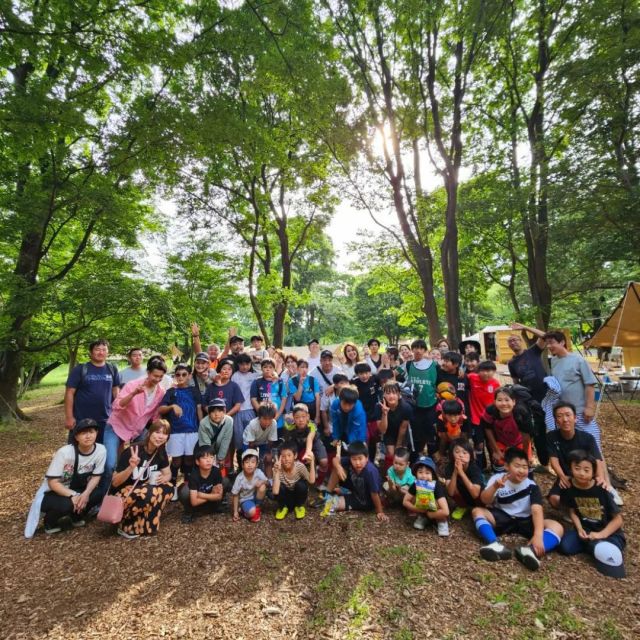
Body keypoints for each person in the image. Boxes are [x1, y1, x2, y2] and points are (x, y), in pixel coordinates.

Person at [471, 447, 563, 570]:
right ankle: (494, 544)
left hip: (525, 520)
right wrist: (495, 486)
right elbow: (484, 500)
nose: (522, 470)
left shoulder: (531, 486)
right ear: (507, 466)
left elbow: (536, 510)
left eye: (525, 467)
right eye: (517, 466)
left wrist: (538, 535)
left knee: (557, 527)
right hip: (503, 517)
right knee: (477, 511)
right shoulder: (497, 479)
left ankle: (531, 551)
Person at [102, 358, 167, 495]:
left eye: (161, 377)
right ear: (148, 372)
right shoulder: (133, 385)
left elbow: (154, 416)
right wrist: (133, 394)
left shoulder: (160, 392)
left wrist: (161, 429)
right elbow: (117, 405)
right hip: (116, 427)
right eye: (155, 375)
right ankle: (105, 495)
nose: (158, 379)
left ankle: (132, 490)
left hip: (136, 431)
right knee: (110, 464)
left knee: (139, 459)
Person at [559, 450, 626, 578]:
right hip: (586, 531)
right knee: (565, 547)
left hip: (608, 533)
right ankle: (593, 546)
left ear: (593, 471)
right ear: (571, 469)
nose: (581, 473)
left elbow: (618, 520)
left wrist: (601, 534)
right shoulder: (568, 487)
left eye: (586, 470)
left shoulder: (601, 488)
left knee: (609, 551)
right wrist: (579, 529)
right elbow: (572, 511)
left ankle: (597, 546)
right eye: (577, 468)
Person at [40, 419, 106, 534]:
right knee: (67, 504)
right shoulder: (65, 452)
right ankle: (50, 521)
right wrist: (74, 496)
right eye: (83, 433)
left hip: (79, 488)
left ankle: (76, 515)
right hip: (55, 492)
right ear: (76, 437)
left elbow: (96, 476)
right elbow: (53, 483)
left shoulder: (101, 450)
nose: (88, 436)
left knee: (98, 493)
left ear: (96, 433)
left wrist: (85, 494)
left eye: (91, 432)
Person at [111, 419, 173, 539]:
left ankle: (145, 525)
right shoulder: (133, 451)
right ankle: (125, 525)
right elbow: (115, 482)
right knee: (149, 492)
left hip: (144, 490)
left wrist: (164, 478)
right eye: (157, 432)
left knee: (168, 488)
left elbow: (168, 474)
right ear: (149, 433)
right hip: (123, 495)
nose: (160, 436)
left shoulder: (160, 452)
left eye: (165, 433)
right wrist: (131, 467)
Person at [546, 402, 605, 509]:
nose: (565, 419)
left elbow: (597, 459)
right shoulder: (551, 437)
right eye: (560, 416)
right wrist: (562, 477)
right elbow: (554, 460)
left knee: (600, 502)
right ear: (556, 421)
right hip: (567, 476)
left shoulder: (587, 438)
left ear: (575, 418)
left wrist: (600, 477)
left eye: (568, 415)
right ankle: (572, 512)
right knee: (554, 499)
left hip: (585, 476)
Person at [507, 322, 549, 467]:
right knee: (538, 430)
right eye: (510, 341)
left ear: (521, 341)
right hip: (530, 400)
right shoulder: (512, 363)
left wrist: (525, 327)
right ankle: (544, 462)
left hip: (547, 394)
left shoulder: (533, 351)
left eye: (515, 339)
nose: (513, 342)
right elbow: (515, 382)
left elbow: (545, 336)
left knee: (555, 426)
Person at [64, 339, 120, 443]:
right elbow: (69, 393)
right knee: (78, 451)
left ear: (108, 352)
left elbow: (116, 392)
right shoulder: (80, 369)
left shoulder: (112, 369)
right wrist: (69, 417)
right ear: (91, 352)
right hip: (82, 419)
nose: (101, 352)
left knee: (102, 452)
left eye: (104, 349)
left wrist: (119, 414)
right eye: (97, 349)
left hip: (105, 420)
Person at [159, 364, 203, 497]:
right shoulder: (171, 392)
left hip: (193, 430)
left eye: (184, 374)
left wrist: (201, 427)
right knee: (176, 460)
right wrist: (172, 406)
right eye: (178, 375)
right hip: (176, 431)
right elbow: (161, 409)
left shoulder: (194, 391)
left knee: (190, 458)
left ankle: (187, 485)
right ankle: (172, 486)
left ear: (190, 375)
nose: (181, 377)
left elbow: (199, 408)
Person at [320, 441, 388, 521]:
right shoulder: (349, 461)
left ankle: (342, 493)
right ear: (350, 458)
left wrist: (380, 511)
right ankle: (327, 493)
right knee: (337, 467)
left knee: (330, 504)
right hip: (355, 492)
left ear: (366, 458)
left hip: (365, 502)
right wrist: (338, 467)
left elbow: (374, 494)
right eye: (354, 459)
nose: (357, 463)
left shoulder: (370, 471)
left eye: (360, 459)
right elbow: (335, 460)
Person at [481, 386, 534, 472]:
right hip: (501, 441)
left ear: (513, 402)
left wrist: (525, 455)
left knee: (525, 466)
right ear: (494, 402)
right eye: (499, 400)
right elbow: (488, 429)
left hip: (519, 441)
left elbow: (526, 437)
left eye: (507, 400)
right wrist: (496, 450)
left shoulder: (521, 413)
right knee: (499, 463)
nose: (503, 404)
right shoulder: (491, 411)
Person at [403, 339, 438, 457]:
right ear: (411, 350)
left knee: (431, 431)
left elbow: (445, 373)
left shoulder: (434, 364)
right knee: (416, 431)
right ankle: (416, 455)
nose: (418, 350)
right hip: (414, 405)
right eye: (415, 348)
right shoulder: (408, 364)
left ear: (425, 350)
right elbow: (394, 373)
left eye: (421, 348)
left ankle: (434, 456)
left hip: (430, 404)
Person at [402, 455, 450, 536]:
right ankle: (422, 517)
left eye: (427, 473)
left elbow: (446, 511)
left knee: (435, 502)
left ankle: (442, 522)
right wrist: (418, 510)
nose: (423, 476)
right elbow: (405, 501)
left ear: (433, 475)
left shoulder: (436, 486)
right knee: (414, 497)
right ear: (416, 474)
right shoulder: (415, 484)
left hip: (437, 511)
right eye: (420, 472)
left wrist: (430, 514)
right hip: (422, 509)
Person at [178, 445, 224, 524]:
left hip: (210, 503)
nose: (208, 460)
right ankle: (189, 512)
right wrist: (212, 495)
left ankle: (218, 506)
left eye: (211, 457)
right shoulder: (193, 475)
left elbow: (219, 496)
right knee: (184, 491)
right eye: (204, 458)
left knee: (225, 481)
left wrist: (200, 494)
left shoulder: (216, 471)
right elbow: (194, 502)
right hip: (196, 506)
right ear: (197, 462)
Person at [467, 360, 501, 468]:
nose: (487, 373)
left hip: (491, 419)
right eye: (484, 370)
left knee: (492, 444)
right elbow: (462, 376)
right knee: (479, 445)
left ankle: (495, 465)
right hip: (476, 419)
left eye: (490, 371)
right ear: (479, 371)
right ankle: (481, 468)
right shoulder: (472, 378)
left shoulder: (496, 384)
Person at [272, 441, 316, 520]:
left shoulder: (300, 467)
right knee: (277, 488)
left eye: (289, 455)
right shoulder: (277, 469)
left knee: (301, 485)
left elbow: (311, 481)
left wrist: (312, 462)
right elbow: (275, 492)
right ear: (279, 458)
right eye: (283, 456)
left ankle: (299, 506)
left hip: (297, 497)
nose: (286, 459)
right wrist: (277, 472)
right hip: (285, 498)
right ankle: (282, 508)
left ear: (295, 456)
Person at [283, 403, 328, 476]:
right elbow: (287, 441)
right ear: (293, 418)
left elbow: (310, 438)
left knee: (324, 462)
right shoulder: (289, 426)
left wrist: (308, 452)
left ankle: (319, 478)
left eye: (303, 416)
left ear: (308, 416)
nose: (301, 420)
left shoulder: (312, 425)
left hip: (314, 442)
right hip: (297, 442)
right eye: (297, 417)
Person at [444, 438, 484, 520]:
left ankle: (480, 508)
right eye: (457, 452)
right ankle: (462, 506)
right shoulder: (449, 467)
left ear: (470, 455)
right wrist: (455, 471)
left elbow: (475, 494)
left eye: (465, 452)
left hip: (477, 498)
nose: (461, 455)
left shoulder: (474, 468)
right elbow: (451, 492)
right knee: (449, 486)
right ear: (452, 454)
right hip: (462, 494)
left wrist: (461, 472)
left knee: (481, 497)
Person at [231, 353, 258, 468]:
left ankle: (253, 464)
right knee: (239, 440)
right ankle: (241, 466)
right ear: (238, 365)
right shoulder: (235, 376)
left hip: (250, 410)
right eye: (241, 364)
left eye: (247, 364)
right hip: (237, 411)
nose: (244, 366)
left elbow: (268, 373)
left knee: (252, 439)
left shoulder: (254, 376)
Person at [310, 350, 344, 436]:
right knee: (324, 431)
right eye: (324, 360)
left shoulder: (338, 370)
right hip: (320, 404)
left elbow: (345, 382)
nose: (327, 362)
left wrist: (333, 386)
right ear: (320, 361)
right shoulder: (314, 372)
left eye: (329, 360)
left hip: (335, 400)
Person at [352, 363, 382, 459]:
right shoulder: (354, 383)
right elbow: (342, 384)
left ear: (370, 372)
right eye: (361, 373)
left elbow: (387, 377)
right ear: (357, 374)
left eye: (366, 373)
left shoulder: (375, 379)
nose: (364, 376)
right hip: (361, 417)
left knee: (374, 439)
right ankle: (364, 458)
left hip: (374, 415)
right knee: (365, 439)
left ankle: (372, 460)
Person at [378, 382, 412, 467]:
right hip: (388, 432)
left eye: (394, 393)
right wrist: (384, 413)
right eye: (388, 393)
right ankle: (389, 471)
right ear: (384, 395)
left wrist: (398, 445)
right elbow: (383, 430)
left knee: (400, 454)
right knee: (390, 453)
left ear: (399, 394)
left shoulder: (406, 407)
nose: (391, 396)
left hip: (401, 432)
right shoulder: (379, 407)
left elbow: (403, 428)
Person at [231, 448, 268, 522]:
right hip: (245, 499)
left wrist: (262, 482)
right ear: (242, 464)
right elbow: (235, 494)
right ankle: (245, 511)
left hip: (255, 497)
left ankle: (257, 508)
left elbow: (267, 482)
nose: (250, 465)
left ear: (257, 464)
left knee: (262, 486)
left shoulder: (258, 472)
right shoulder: (240, 478)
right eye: (247, 462)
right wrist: (235, 512)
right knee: (251, 513)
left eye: (253, 462)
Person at [250, 358, 288, 430]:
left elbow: (284, 398)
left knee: (277, 437)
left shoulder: (279, 381)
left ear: (274, 369)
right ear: (261, 368)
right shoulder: (257, 382)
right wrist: (262, 414)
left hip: (277, 417)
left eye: (270, 367)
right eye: (265, 367)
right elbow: (253, 399)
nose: (268, 369)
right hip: (263, 418)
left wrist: (277, 415)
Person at [243, 404, 278, 478]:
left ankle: (270, 481)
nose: (267, 422)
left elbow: (271, 441)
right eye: (265, 419)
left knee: (268, 459)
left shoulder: (274, 423)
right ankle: (249, 478)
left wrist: (268, 453)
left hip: (263, 441)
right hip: (249, 442)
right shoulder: (253, 424)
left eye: (270, 419)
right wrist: (255, 456)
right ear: (259, 417)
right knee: (251, 461)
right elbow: (251, 444)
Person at [198, 399, 234, 469]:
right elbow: (205, 445)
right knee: (207, 466)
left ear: (224, 411)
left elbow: (226, 440)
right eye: (213, 411)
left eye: (220, 411)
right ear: (209, 413)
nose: (216, 414)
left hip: (220, 446)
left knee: (220, 469)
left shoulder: (229, 421)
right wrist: (209, 459)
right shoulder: (203, 423)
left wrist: (221, 458)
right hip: (207, 448)